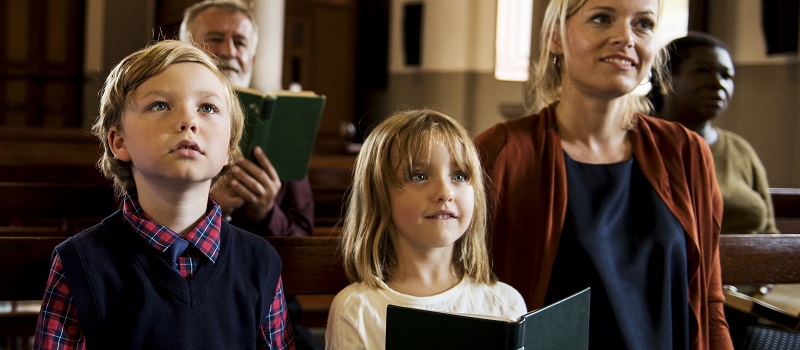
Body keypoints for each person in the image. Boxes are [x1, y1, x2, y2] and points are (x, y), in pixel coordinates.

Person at [474, 0, 733, 349]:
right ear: (554, 36)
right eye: (601, 18)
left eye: (643, 24)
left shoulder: (685, 153)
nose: (626, 37)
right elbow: (466, 294)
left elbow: (709, 300)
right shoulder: (504, 152)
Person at [33, 40, 294, 349]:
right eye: (160, 105)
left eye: (207, 108)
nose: (189, 121)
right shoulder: (80, 263)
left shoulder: (259, 263)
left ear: (229, 148)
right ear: (119, 142)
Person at [325, 109, 527, 349]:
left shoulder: (505, 304)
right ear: (379, 196)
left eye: (459, 176)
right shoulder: (358, 309)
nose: (445, 193)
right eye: (419, 176)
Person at [180, 0, 314, 237]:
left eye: (240, 42)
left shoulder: (283, 125)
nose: (229, 51)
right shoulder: (158, 117)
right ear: (184, 51)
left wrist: (267, 213)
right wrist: (201, 204)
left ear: (251, 60)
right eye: (215, 38)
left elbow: (303, 234)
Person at [654, 32, 779, 235]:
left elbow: (770, 232)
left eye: (726, 76)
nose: (717, 83)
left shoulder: (740, 150)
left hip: (755, 264)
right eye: (703, 71)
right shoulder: (640, 143)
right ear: (666, 78)